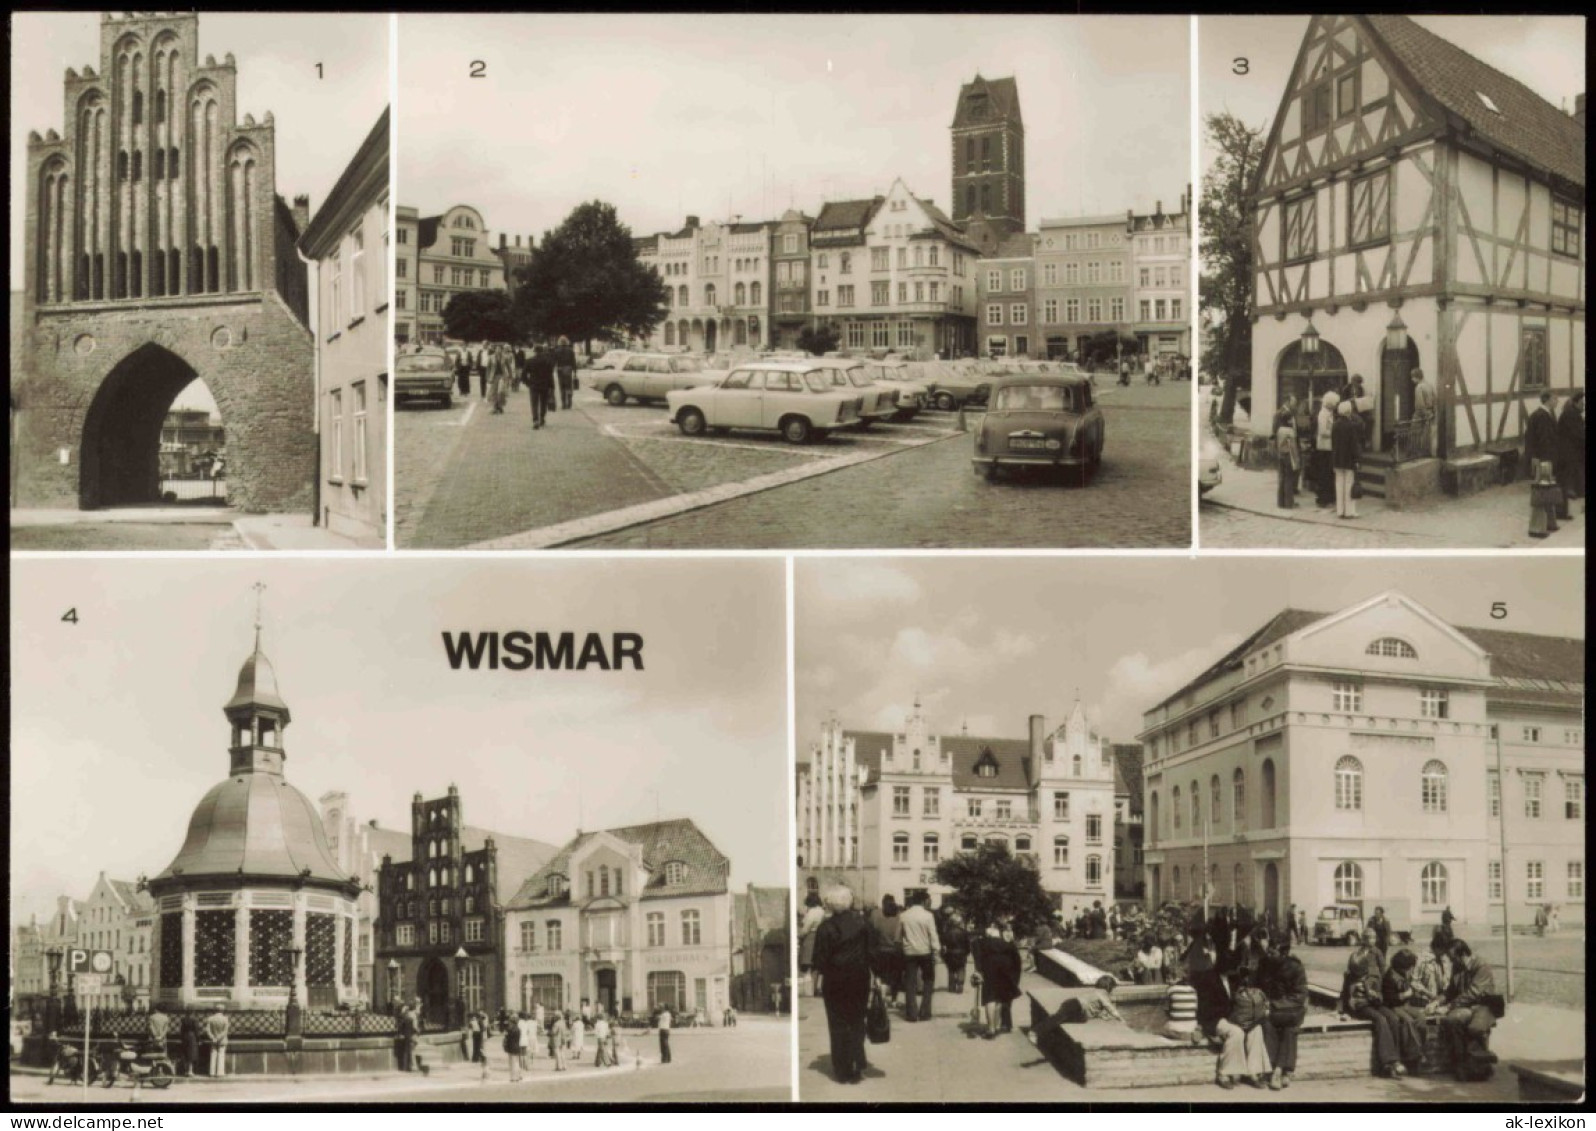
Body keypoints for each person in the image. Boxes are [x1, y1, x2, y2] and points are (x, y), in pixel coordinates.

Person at [812, 884, 874, 1084]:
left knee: (837, 1023)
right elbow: (872, 951)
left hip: (835, 980)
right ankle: (857, 1063)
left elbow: (819, 960)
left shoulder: (825, 928)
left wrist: (817, 979)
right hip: (859, 979)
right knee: (857, 1020)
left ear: (829, 904)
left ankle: (842, 1069)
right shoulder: (863, 924)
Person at [1339, 929, 1414, 1077]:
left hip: (1373, 1003)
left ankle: (1397, 1059)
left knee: (1392, 1017)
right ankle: (1388, 1061)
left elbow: (1381, 981)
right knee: (1380, 1019)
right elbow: (1346, 996)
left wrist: (1377, 995)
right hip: (1361, 1007)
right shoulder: (1352, 978)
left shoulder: (1373, 970)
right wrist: (1343, 1011)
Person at [1435, 939, 1499, 1081]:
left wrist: (1449, 1006)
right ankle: (1462, 1062)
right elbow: (1450, 991)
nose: (1452, 962)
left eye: (1453, 958)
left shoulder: (1482, 966)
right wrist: (1436, 1002)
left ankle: (1480, 1064)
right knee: (1452, 1020)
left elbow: (1473, 992)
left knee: (1475, 1027)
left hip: (1484, 1005)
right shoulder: (1458, 967)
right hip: (1467, 1006)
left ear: (1463, 954)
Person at [1261, 930, 1307, 1090]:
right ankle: (1283, 1070)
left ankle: (1276, 1071)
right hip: (1273, 1011)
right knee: (1270, 1025)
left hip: (1292, 1009)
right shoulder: (1265, 964)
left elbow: (1299, 997)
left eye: (1272, 951)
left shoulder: (1295, 967)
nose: (1268, 954)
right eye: (1269, 950)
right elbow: (1257, 986)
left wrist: (1273, 1005)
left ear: (1284, 952)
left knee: (1289, 1025)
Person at [1214, 967, 1272, 1089]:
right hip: (1218, 1018)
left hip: (1237, 1019)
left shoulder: (1237, 981)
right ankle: (1224, 1073)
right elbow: (1208, 1008)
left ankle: (1253, 1073)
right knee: (1237, 1032)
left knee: (1256, 1030)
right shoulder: (1211, 980)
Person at [1383, 949, 1430, 1069]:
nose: (1411, 970)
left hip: (1404, 1005)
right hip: (1393, 1006)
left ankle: (1421, 1048)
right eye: (1409, 967)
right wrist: (1404, 995)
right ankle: (1415, 1055)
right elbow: (1389, 999)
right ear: (1403, 966)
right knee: (1407, 1021)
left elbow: (1410, 994)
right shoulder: (1390, 977)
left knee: (1420, 1017)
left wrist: (1425, 1001)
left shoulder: (1403, 974)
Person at [899, 891, 940, 1023]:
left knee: (910, 982)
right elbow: (932, 935)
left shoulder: (903, 915)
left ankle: (911, 1013)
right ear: (923, 901)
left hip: (909, 952)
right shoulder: (928, 916)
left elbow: (899, 935)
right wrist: (936, 950)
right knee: (928, 980)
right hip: (925, 952)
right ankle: (925, 1012)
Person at [1525, 390, 1562, 536]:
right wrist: (1543, 460)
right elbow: (1540, 441)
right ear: (1547, 400)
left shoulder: (1547, 414)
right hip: (1543, 460)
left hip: (1547, 459)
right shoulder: (1541, 416)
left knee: (1547, 491)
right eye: (1555, 398)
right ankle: (1536, 529)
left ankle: (1550, 523)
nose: (1557, 401)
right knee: (1541, 493)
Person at [975, 924, 1021, 1039]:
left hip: (989, 969)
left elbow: (977, 955)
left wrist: (978, 971)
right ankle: (996, 1026)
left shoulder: (982, 943)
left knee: (989, 998)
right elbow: (1017, 960)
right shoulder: (1007, 944)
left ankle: (990, 1028)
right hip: (1005, 970)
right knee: (999, 998)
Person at [867, 895, 905, 1009]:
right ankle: (894, 1000)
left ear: (883, 903)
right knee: (896, 976)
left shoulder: (875, 914)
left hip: (880, 950)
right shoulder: (899, 915)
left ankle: (882, 999)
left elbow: (871, 931)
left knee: (881, 976)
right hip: (896, 950)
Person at [1555, 391, 1586, 509]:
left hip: (1573, 447)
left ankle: (1576, 490)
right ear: (1576, 402)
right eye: (1582, 404)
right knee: (1571, 468)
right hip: (1567, 448)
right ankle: (1571, 490)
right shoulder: (1570, 414)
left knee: (1577, 467)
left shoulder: (1574, 413)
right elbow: (1577, 433)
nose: (1583, 406)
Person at [1332, 400, 1362, 519]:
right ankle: (1349, 511)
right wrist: (1357, 459)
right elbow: (1354, 445)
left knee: (1339, 484)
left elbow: (1333, 443)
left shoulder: (1335, 425)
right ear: (1349, 411)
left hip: (1337, 458)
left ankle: (1340, 511)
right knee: (1349, 484)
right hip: (1349, 459)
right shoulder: (1351, 426)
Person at [1315, 391, 1340, 507]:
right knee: (1324, 474)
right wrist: (1334, 433)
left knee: (1329, 474)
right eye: (1334, 403)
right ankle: (1322, 499)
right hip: (1324, 448)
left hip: (1329, 447)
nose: (1335, 406)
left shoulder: (1329, 413)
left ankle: (1329, 497)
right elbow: (1323, 431)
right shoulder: (1323, 414)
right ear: (1329, 403)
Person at [1272, 408, 1300, 509]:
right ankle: (1289, 502)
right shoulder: (1290, 431)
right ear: (1288, 420)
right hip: (1288, 455)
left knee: (1282, 478)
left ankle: (1281, 502)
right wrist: (1296, 460)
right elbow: (1293, 446)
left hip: (1281, 455)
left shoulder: (1279, 430)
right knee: (1289, 479)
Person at [799, 892, 825, 997]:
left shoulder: (812, 912)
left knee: (808, 964)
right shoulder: (823, 911)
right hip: (821, 938)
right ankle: (815, 988)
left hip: (811, 938)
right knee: (816, 966)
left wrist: (800, 935)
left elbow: (806, 928)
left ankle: (809, 990)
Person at [941, 910, 971, 994]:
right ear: (959, 922)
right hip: (961, 953)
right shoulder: (964, 932)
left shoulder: (947, 932)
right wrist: (967, 952)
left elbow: (943, 944)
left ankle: (951, 986)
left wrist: (943, 954)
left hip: (950, 953)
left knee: (951, 969)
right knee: (961, 968)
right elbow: (967, 944)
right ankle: (960, 984)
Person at [527, 345, 555, 430]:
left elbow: (523, 375)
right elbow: (550, 375)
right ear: (542, 351)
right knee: (543, 403)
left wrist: (528, 383)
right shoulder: (548, 361)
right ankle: (542, 418)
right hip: (545, 385)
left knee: (534, 403)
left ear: (534, 351)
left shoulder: (529, 361)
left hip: (534, 385)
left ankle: (535, 420)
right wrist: (551, 386)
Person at [1410, 368, 1436, 457]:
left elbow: (1420, 404)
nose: (1412, 379)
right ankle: (1425, 453)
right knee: (1426, 434)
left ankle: (1415, 453)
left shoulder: (1419, 387)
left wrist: (1424, 413)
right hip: (1430, 411)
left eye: (1412, 377)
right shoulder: (1430, 385)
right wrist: (1432, 413)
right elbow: (1435, 399)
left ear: (1417, 377)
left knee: (1415, 432)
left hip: (1420, 413)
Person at [1348, 374, 1375, 448]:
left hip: (1359, 409)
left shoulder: (1361, 389)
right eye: (1357, 383)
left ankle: (1367, 439)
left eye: (1359, 383)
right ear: (1353, 382)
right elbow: (1343, 401)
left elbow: (1361, 400)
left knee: (1370, 419)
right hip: (1349, 410)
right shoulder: (1347, 389)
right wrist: (1351, 401)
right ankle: (1358, 442)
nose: (1358, 385)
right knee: (1359, 421)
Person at [204, 1006, 229, 1077]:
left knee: (213, 1054)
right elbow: (225, 1031)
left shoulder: (210, 1019)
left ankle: (212, 1072)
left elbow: (207, 1030)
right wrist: (218, 1037)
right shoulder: (225, 1019)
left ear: (215, 1010)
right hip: (222, 1039)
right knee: (221, 1055)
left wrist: (212, 1038)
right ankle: (220, 1073)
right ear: (222, 1010)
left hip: (213, 1040)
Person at [555, 337, 577, 409]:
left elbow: (554, 362)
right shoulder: (570, 351)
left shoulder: (557, 351)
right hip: (568, 370)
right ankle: (569, 403)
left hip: (560, 370)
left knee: (562, 387)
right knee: (569, 387)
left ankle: (563, 404)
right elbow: (573, 362)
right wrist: (575, 372)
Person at [502, 1011, 522, 1082]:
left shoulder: (510, 1029)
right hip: (517, 1046)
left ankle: (513, 1077)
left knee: (512, 1063)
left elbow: (506, 1038)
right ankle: (518, 1076)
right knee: (516, 1062)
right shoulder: (518, 1029)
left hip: (511, 1047)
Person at [179, 1012, 200, 1077]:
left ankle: (185, 1071)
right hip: (192, 1037)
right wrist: (198, 1039)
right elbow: (196, 1030)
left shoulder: (183, 1019)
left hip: (185, 1037)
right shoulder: (195, 1019)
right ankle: (190, 1071)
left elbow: (181, 1030)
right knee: (191, 1054)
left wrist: (182, 1038)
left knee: (185, 1054)